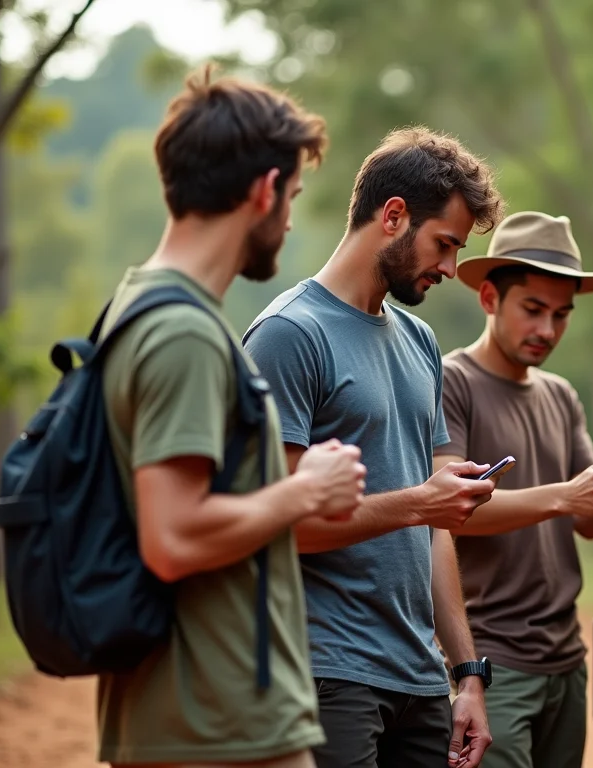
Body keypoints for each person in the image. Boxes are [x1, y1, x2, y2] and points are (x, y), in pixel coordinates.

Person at [96, 66, 368, 768]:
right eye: (292, 196)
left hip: (197, 720)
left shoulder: (136, 306)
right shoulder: (182, 333)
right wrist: (306, 490)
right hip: (218, 728)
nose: (287, 218)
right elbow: (173, 536)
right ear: (264, 190)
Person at [243, 126, 508, 768]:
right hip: (326, 673)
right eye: (444, 244)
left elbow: (435, 524)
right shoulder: (288, 335)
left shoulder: (418, 341)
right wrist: (420, 503)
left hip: (418, 679)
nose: (451, 268)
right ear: (392, 216)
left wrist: (466, 672)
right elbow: (278, 527)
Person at [434, 211, 593, 768]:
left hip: (566, 661)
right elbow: (452, 513)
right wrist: (566, 494)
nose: (548, 330)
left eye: (561, 314)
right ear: (489, 297)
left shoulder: (560, 395)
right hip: (493, 662)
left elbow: (587, 519)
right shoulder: (452, 382)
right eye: (533, 310)